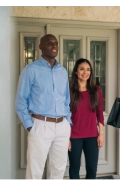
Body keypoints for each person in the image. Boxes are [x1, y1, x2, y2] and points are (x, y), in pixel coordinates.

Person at [15, 34, 71, 180]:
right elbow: (21, 101)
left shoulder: (63, 71)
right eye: (49, 43)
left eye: (56, 43)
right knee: (35, 171)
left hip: (62, 126)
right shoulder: (30, 70)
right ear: (41, 47)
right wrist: (30, 126)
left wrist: (68, 123)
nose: (54, 46)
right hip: (40, 125)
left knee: (59, 170)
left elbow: (66, 99)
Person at [68, 58, 104, 180]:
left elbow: (100, 114)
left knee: (92, 169)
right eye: (82, 69)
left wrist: (101, 134)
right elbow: (65, 116)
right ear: (76, 72)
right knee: (74, 168)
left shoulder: (96, 90)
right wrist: (66, 138)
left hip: (92, 136)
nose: (85, 72)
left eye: (88, 69)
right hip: (73, 136)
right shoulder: (69, 91)